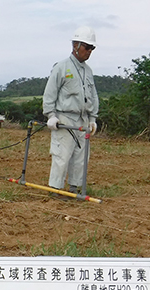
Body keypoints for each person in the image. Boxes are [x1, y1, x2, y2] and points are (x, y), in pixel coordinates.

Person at [42, 26, 99, 197]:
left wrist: (93, 118)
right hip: (64, 118)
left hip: (83, 118)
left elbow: (93, 95)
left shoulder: (88, 71)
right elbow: (50, 93)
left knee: (81, 157)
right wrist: (51, 115)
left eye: (92, 48)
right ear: (76, 45)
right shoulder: (61, 67)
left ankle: (74, 188)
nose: (89, 51)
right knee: (62, 155)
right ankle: (55, 189)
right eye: (86, 47)